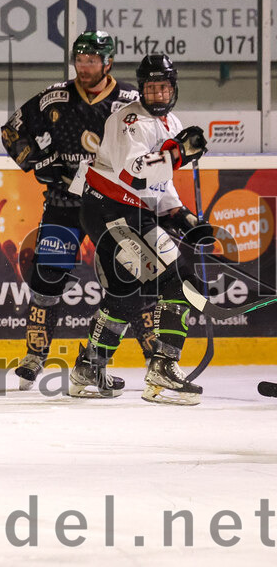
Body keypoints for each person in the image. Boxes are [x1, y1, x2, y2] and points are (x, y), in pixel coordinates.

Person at [0, 30, 152, 390]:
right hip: (64, 205)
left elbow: (156, 140)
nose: (85, 67)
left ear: (108, 62)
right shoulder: (56, 97)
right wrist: (36, 161)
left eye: (92, 61)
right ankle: (34, 356)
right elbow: (11, 132)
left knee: (134, 280)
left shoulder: (130, 101)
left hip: (114, 207)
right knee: (47, 279)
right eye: (80, 61)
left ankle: (156, 357)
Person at [70, 54, 211, 405]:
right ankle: (163, 366)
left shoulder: (170, 121)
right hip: (111, 210)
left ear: (173, 88)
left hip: (117, 210)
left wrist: (181, 216)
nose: (157, 94)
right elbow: (133, 172)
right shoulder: (128, 119)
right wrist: (178, 153)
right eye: (150, 87)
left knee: (125, 292)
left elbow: (160, 185)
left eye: (163, 87)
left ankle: (89, 367)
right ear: (142, 88)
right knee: (179, 279)